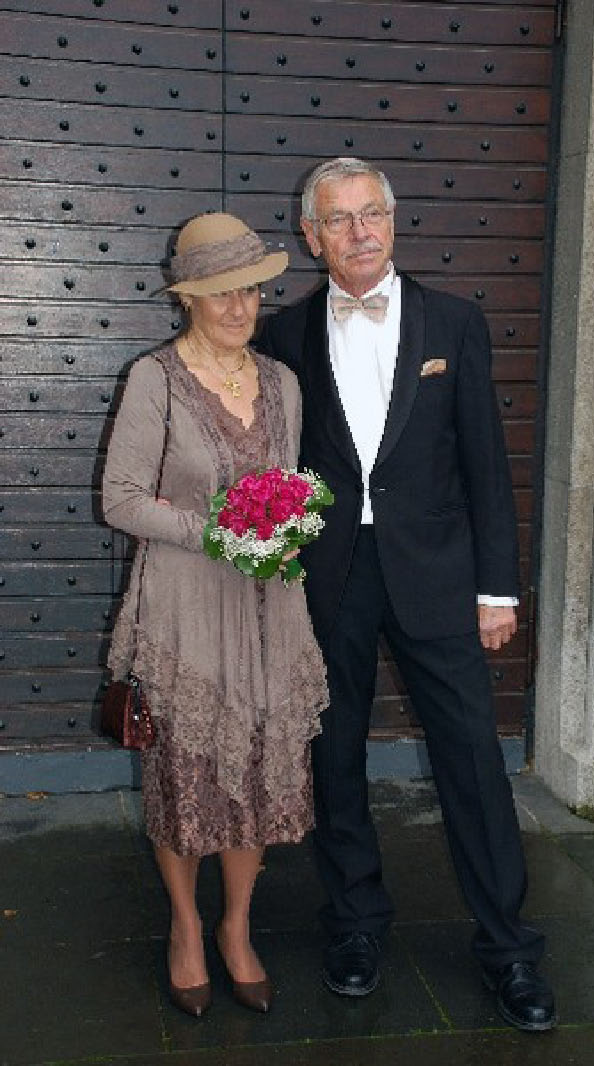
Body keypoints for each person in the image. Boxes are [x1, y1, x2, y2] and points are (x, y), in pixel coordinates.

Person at [258, 158, 556, 1031]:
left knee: (471, 758)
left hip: (438, 575)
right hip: (330, 577)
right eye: (339, 219)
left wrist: (497, 589)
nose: (360, 232)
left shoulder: (454, 321)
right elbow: (276, 463)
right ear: (311, 236)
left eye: (372, 213)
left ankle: (508, 949)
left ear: (392, 221)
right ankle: (354, 923)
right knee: (334, 752)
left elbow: (485, 464)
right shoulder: (284, 334)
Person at [102, 212, 328, 1018]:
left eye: (252, 291)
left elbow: (289, 486)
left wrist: (291, 524)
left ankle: (236, 926)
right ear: (188, 298)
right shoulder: (155, 380)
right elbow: (121, 499)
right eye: (222, 293)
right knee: (185, 774)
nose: (240, 308)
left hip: (270, 607)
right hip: (185, 605)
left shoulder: (282, 383)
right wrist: (218, 534)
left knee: (258, 771)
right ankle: (186, 928)